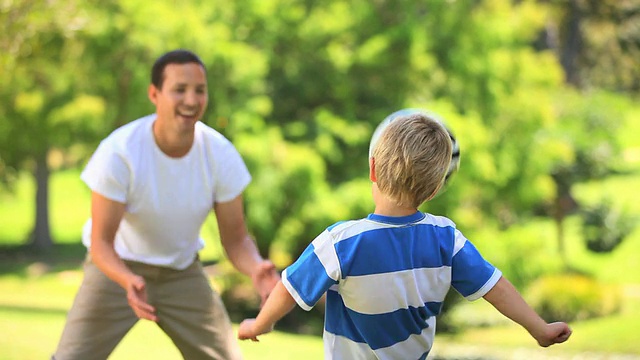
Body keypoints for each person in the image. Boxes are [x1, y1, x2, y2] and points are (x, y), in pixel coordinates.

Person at [237, 113, 572, 359]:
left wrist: (260, 324)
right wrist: (538, 328)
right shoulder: (445, 238)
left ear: (372, 169)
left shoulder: (341, 243)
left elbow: (289, 290)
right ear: (437, 187)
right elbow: (494, 286)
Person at [53, 49, 280, 360]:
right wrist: (127, 279)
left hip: (181, 272)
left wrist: (256, 268)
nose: (191, 100)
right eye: (179, 89)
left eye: (199, 90)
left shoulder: (220, 154)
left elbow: (236, 239)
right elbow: (101, 243)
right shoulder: (120, 152)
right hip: (117, 268)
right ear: (154, 94)